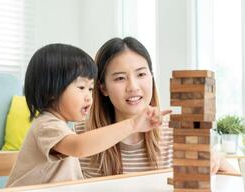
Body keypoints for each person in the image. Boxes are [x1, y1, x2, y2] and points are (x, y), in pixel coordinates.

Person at [6, 43, 171, 187]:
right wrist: (133, 124)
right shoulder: (46, 125)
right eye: (81, 88)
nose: (88, 97)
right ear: (52, 92)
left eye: (90, 89)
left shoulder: (62, 128)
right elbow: (78, 147)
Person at [77, 37, 237, 178]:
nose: (133, 87)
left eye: (141, 74)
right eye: (120, 78)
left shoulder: (176, 132)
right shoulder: (79, 137)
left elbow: (236, 183)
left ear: (151, 77)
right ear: (103, 87)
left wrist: (216, 159)